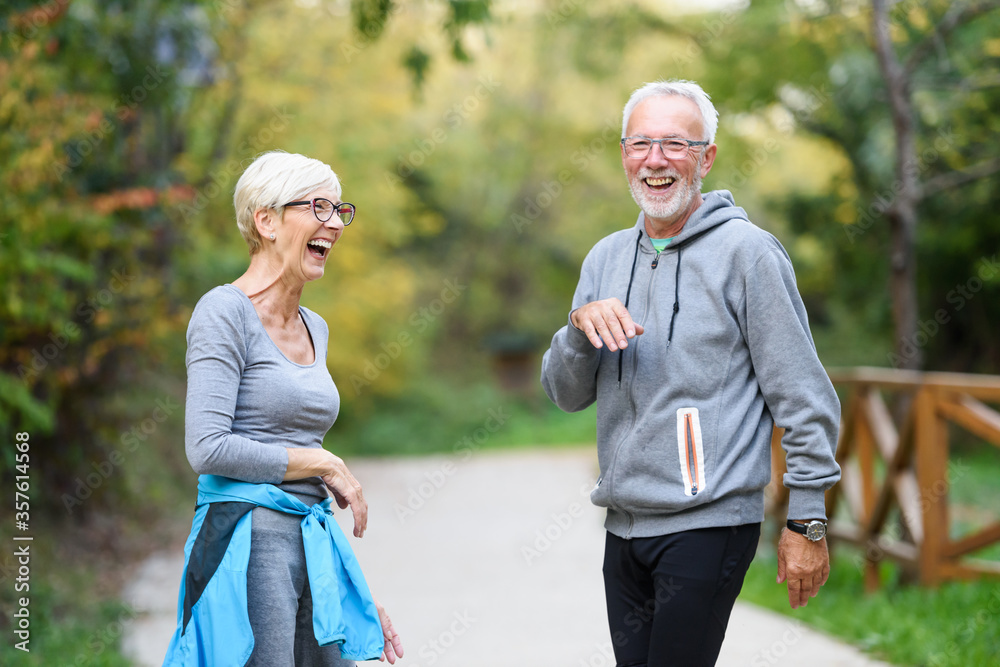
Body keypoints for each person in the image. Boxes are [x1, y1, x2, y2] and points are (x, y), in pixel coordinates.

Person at [540, 80, 841, 666]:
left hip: (708, 524)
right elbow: (565, 394)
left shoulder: (748, 254)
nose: (655, 160)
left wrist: (807, 520)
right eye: (641, 143)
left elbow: (804, 397)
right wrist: (577, 330)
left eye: (675, 144)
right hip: (624, 525)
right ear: (624, 154)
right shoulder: (604, 258)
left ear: (706, 158)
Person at [163, 151, 404, 666]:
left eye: (339, 210)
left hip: (311, 543)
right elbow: (207, 447)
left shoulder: (316, 326)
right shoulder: (223, 312)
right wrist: (322, 463)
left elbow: (304, 476)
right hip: (246, 546)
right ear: (266, 221)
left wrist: (350, 590)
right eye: (318, 207)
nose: (334, 223)